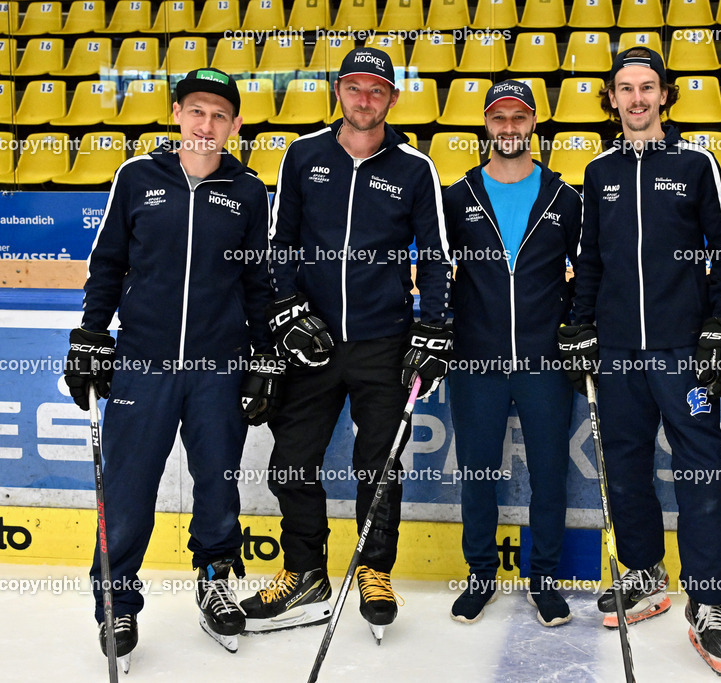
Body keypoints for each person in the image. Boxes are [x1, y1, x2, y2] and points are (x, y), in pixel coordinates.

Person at [64, 67, 280, 664]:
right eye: (196, 112)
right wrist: (88, 337)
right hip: (143, 364)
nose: (206, 125)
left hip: (219, 366)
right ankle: (118, 604)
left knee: (218, 486)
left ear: (234, 126)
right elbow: (107, 264)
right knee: (130, 491)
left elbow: (258, 283)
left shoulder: (248, 192)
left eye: (219, 116)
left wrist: (262, 357)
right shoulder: (137, 178)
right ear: (178, 115)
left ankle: (215, 585)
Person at [239, 47, 452, 643]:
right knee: (290, 462)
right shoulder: (303, 155)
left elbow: (434, 256)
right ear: (339, 90)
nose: (365, 99)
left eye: (376, 90)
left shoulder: (414, 168)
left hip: (384, 344)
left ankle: (375, 571)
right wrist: (284, 309)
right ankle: (305, 570)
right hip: (312, 343)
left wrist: (432, 327)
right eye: (355, 88)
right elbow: (280, 243)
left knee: (379, 466)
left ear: (392, 98)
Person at [558, 47, 721, 674]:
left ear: (664, 96)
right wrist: (580, 321)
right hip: (616, 351)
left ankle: (711, 600)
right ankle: (644, 573)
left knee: (701, 469)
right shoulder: (598, 171)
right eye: (624, 89)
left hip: (680, 351)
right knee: (626, 464)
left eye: (647, 88)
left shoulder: (697, 165)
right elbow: (590, 258)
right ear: (611, 99)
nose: (636, 99)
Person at [441, 80, 582, 627]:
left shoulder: (565, 197)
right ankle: (480, 575)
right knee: (477, 471)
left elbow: (587, 270)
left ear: (532, 126)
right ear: (486, 125)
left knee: (549, 472)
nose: (508, 128)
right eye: (499, 118)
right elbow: (434, 268)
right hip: (476, 359)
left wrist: (574, 323)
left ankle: (542, 579)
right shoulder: (458, 195)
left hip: (546, 359)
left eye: (518, 118)